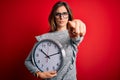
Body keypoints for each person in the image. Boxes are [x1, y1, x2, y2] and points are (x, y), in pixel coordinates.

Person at [25, 1, 86, 80]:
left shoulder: (72, 34)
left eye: (64, 14)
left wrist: (78, 26)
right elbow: (28, 61)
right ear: (53, 16)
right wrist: (39, 74)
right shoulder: (44, 38)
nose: (61, 17)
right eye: (58, 14)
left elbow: (77, 38)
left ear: (69, 15)